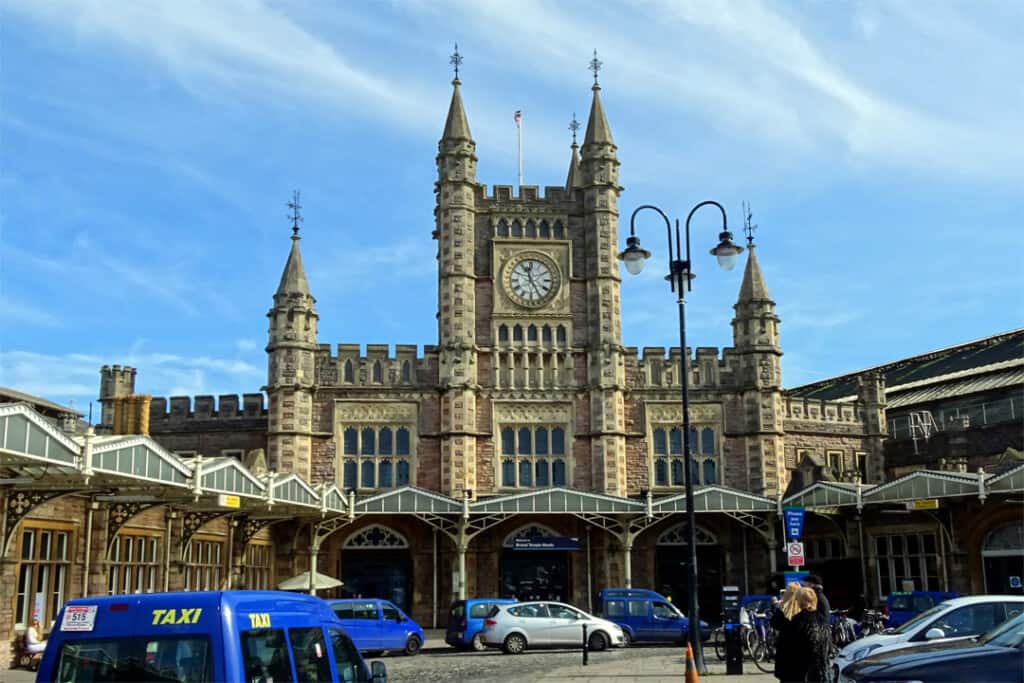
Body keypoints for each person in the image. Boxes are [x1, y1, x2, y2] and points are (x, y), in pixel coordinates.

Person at [771, 584, 829, 683]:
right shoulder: (822, 622)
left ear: (798, 602)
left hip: (797, 674)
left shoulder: (795, 622)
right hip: (818, 674)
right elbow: (827, 649)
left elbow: (785, 649)